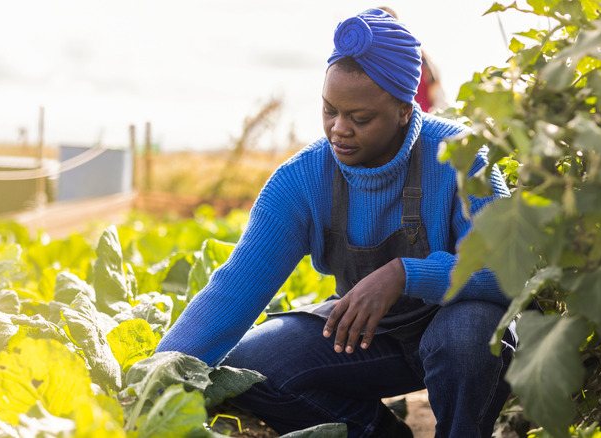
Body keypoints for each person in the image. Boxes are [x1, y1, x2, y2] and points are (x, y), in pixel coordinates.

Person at [155, 8, 514, 438]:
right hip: (368, 338)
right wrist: (158, 375)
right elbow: (233, 289)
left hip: (458, 334)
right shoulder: (302, 179)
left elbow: (507, 271)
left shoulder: (463, 158)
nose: (338, 130)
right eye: (329, 111)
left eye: (359, 119)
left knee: (468, 333)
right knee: (245, 369)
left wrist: (404, 275)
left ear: (404, 110)